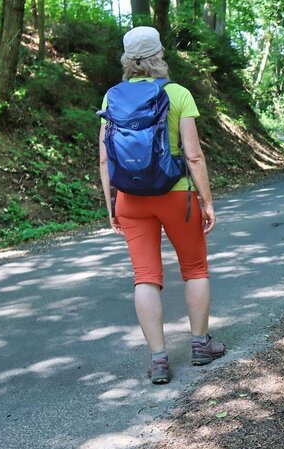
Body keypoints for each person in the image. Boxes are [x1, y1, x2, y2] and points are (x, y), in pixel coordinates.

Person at [98, 26, 225, 384]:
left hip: (130, 199)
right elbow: (194, 156)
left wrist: (111, 205)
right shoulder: (177, 93)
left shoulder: (111, 97)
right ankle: (200, 345)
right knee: (195, 269)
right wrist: (207, 201)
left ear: (127, 59)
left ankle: (158, 360)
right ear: (159, 55)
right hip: (176, 194)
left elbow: (105, 159)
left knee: (145, 277)